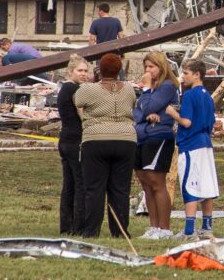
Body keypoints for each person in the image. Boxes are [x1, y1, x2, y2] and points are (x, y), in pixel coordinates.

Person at [74, 53, 137, 238]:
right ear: (119, 70)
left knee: (94, 188)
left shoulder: (88, 89)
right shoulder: (128, 89)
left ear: (99, 70)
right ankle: (120, 231)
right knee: (120, 189)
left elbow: (77, 101)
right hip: (126, 139)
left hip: (96, 138)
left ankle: (91, 230)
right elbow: (132, 103)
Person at [166, 59, 219, 240]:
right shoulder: (208, 96)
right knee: (206, 185)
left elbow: (187, 122)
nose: (183, 77)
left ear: (197, 74)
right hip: (205, 143)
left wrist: (173, 113)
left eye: (186, 73)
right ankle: (207, 227)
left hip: (191, 144)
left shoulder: (190, 95)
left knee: (190, 185)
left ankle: (189, 231)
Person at [132, 52, 179, 240]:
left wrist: (146, 91)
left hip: (158, 137)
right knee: (145, 183)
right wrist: (146, 114)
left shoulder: (167, 86)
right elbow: (138, 112)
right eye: (146, 67)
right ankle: (153, 227)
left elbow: (149, 107)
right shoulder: (149, 88)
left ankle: (164, 228)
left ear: (161, 67)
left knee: (156, 182)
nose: (148, 70)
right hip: (141, 135)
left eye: (151, 67)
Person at [57, 55, 91, 236]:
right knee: (80, 183)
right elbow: (82, 114)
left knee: (69, 184)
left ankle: (66, 225)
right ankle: (79, 226)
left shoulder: (64, 88)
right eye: (80, 70)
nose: (84, 74)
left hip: (65, 139)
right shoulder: (75, 89)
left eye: (86, 71)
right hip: (76, 139)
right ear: (71, 71)